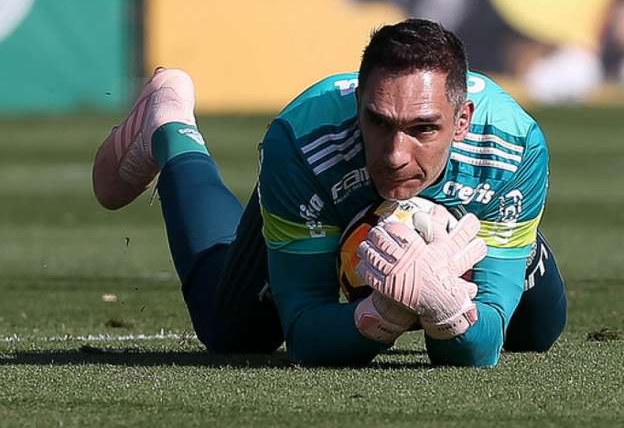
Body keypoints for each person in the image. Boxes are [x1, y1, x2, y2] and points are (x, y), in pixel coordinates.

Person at [92, 18, 566, 367]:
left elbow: (479, 351)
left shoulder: (513, 145)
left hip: (477, 212)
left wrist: (444, 309)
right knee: (235, 333)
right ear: (358, 103)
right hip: (331, 201)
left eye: (423, 128)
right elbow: (303, 333)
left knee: (534, 332)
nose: (397, 155)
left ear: (462, 121)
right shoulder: (302, 141)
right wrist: (381, 313)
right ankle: (170, 127)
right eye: (379, 123)